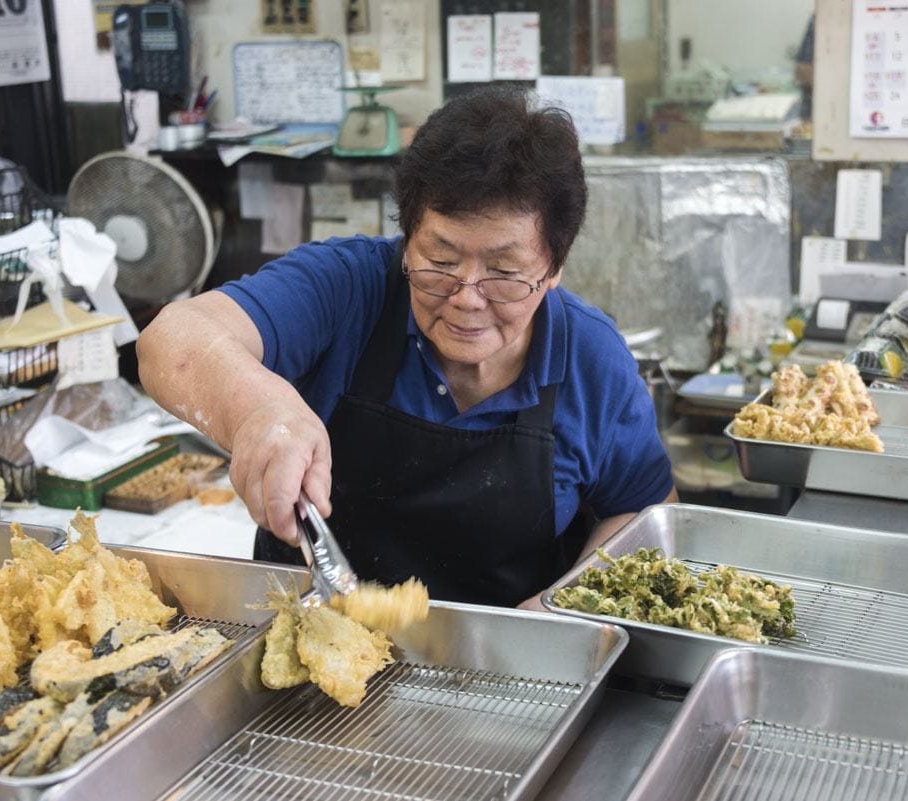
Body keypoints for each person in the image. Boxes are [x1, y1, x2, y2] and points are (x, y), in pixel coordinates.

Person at [138, 87, 676, 608]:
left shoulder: (589, 356)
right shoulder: (346, 286)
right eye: (439, 261)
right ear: (406, 236)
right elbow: (171, 339)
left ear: (554, 267)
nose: (467, 299)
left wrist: (565, 605)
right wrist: (258, 410)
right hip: (307, 646)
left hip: (507, 672)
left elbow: (645, 515)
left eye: (505, 273)